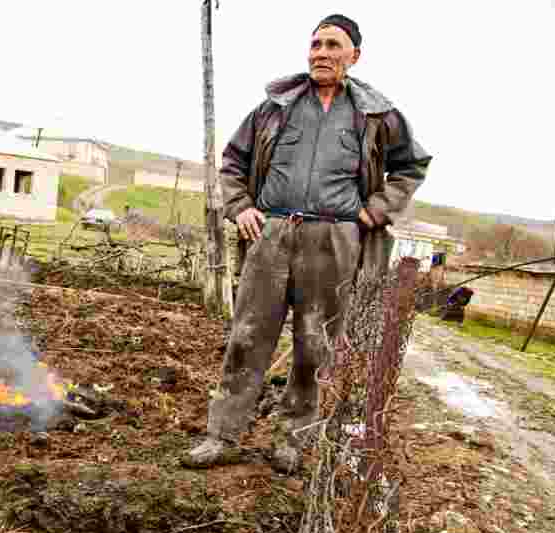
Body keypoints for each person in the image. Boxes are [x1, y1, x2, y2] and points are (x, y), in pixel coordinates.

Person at [183, 14, 432, 471]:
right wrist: (240, 207)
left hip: (334, 239)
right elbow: (233, 161)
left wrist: (372, 211)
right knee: (246, 337)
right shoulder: (275, 107)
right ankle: (222, 435)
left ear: (353, 55)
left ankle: (292, 440)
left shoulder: (375, 114)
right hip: (272, 233)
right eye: (316, 44)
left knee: (315, 345)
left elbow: (411, 167)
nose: (321, 53)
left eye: (333, 45)